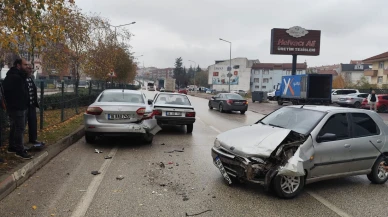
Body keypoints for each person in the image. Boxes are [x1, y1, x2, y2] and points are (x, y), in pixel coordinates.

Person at [2, 58, 32, 159]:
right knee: (20, 128)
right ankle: (20, 150)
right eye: (25, 65)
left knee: (14, 127)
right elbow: (14, 94)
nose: (27, 67)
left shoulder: (16, 76)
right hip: (17, 107)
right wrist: (19, 105)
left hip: (17, 107)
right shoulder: (15, 77)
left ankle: (12, 147)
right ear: (18, 66)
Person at [26, 64, 44, 148]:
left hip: (32, 105)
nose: (30, 70)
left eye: (31, 69)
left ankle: (33, 139)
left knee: (33, 122)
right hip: (25, 106)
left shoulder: (30, 78)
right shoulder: (22, 78)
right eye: (28, 68)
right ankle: (18, 143)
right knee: (21, 125)